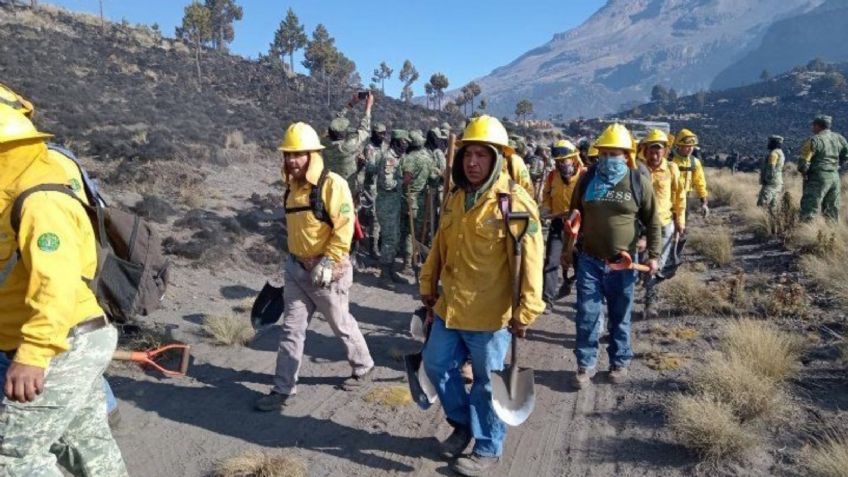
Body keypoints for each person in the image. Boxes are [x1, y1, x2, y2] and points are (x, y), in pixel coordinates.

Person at [0, 104, 128, 476]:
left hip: (65, 345)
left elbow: (55, 283)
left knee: (11, 458)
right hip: (69, 340)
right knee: (84, 445)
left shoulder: (40, 200)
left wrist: (33, 355)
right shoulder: (12, 196)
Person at [420, 115, 544, 476]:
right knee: (436, 364)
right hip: (450, 307)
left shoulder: (512, 203)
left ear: (498, 159)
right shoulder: (456, 197)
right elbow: (438, 248)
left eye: (482, 155)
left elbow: (531, 261)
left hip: (490, 315)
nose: (472, 162)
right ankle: (463, 424)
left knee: (489, 384)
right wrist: (428, 283)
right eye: (468, 154)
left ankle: (488, 447)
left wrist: (528, 308)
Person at [256, 122, 374, 412]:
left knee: (341, 324)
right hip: (296, 270)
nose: (291, 161)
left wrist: (330, 260)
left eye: (298, 154)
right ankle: (283, 389)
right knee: (291, 330)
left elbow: (344, 227)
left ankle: (364, 365)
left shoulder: (333, 184)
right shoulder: (291, 188)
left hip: (328, 271)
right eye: (288, 155)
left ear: (312, 155)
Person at [567, 123, 661, 389]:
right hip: (589, 259)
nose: (608, 159)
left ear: (627, 155)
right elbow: (574, 214)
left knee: (620, 314)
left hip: (624, 262)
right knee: (587, 313)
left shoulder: (637, 181)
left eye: (615, 153)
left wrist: (653, 255)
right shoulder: (587, 179)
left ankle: (619, 362)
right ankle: (585, 365)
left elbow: (653, 221)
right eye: (604, 153)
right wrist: (567, 249)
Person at [638, 129, 686, 319]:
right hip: (641, 226)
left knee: (656, 265)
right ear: (645, 150)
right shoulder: (638, 169)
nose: (655, 154)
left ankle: (650, 302)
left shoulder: (672, 169)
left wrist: (680, 221)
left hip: (664, 224)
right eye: (651, 149)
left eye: (659, 149)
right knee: (637, 263)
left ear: (665, 151)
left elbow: (679, 196)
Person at [541, 139, 584, 308]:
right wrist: (545, 210)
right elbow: (546, 196)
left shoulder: (584, 176)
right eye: (558, 162)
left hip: (580, 227)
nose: (561, 165)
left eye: (564, 161)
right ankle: (547, 300)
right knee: (552, 261)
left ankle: (581, 298)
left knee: (580, 263)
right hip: (558, 224)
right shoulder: (552, 176)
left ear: (573, 159)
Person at [373, 130, 408, 284]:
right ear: (396, 142)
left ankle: (391, 269)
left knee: (395, 237)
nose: (405, 145)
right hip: (387, 205)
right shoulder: (389, 158)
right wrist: (403, 182)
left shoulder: (398, 157)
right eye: (403, 142)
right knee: (389, 238)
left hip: (394, 204)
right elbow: (386, 183)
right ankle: (384, 274)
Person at [798, 115, 848, 222]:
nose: (812, 128)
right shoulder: (839, 138)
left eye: (813, 125)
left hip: (818, 177)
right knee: (831, 209)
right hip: (834, 177)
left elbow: (803, 162)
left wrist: (805, 172)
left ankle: (805, 232)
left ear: (817, 126)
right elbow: (846, 155)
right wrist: (837, 165)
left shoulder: (814, 140)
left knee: (809, 206)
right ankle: (832, 233)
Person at [400, 130, 435, 271]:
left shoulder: (409, 158)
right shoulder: (428, 158)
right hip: (421, 200)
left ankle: (408, 263)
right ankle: (416, 258)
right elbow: (433, 177)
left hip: (409, 199)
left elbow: (406, 179)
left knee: (409, 232)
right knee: (418, 231)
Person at [360, 122, 388, 258]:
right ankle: (373, 248)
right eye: (380, 133)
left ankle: (378, 243)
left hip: (383, 186)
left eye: (384, 133)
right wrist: (381, 169)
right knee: (374, 217)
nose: (382, 136)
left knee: (381, 216)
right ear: (374, 133)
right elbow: (369, 168)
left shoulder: (384, 146)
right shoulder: (369, 148)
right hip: (371, 187)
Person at [671, 129, 710, 217]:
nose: (690, 149)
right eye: (687, 146)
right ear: (679, 145)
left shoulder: (695, 162)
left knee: (682, 226)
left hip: (685, 198)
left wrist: (704, 203)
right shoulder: (669, 160)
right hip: (667, 198)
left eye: (692, 146)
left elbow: (700, 182)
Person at [757, 136, 785, 209]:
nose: (768, 144)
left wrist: (767, 179)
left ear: (774, 143)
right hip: (778, 181)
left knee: (762, 202)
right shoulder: (780, 153)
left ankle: (760, 219)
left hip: (771, 182)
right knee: (773, 205)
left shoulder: (773, 154)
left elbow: (771, 167)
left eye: (770, 142)